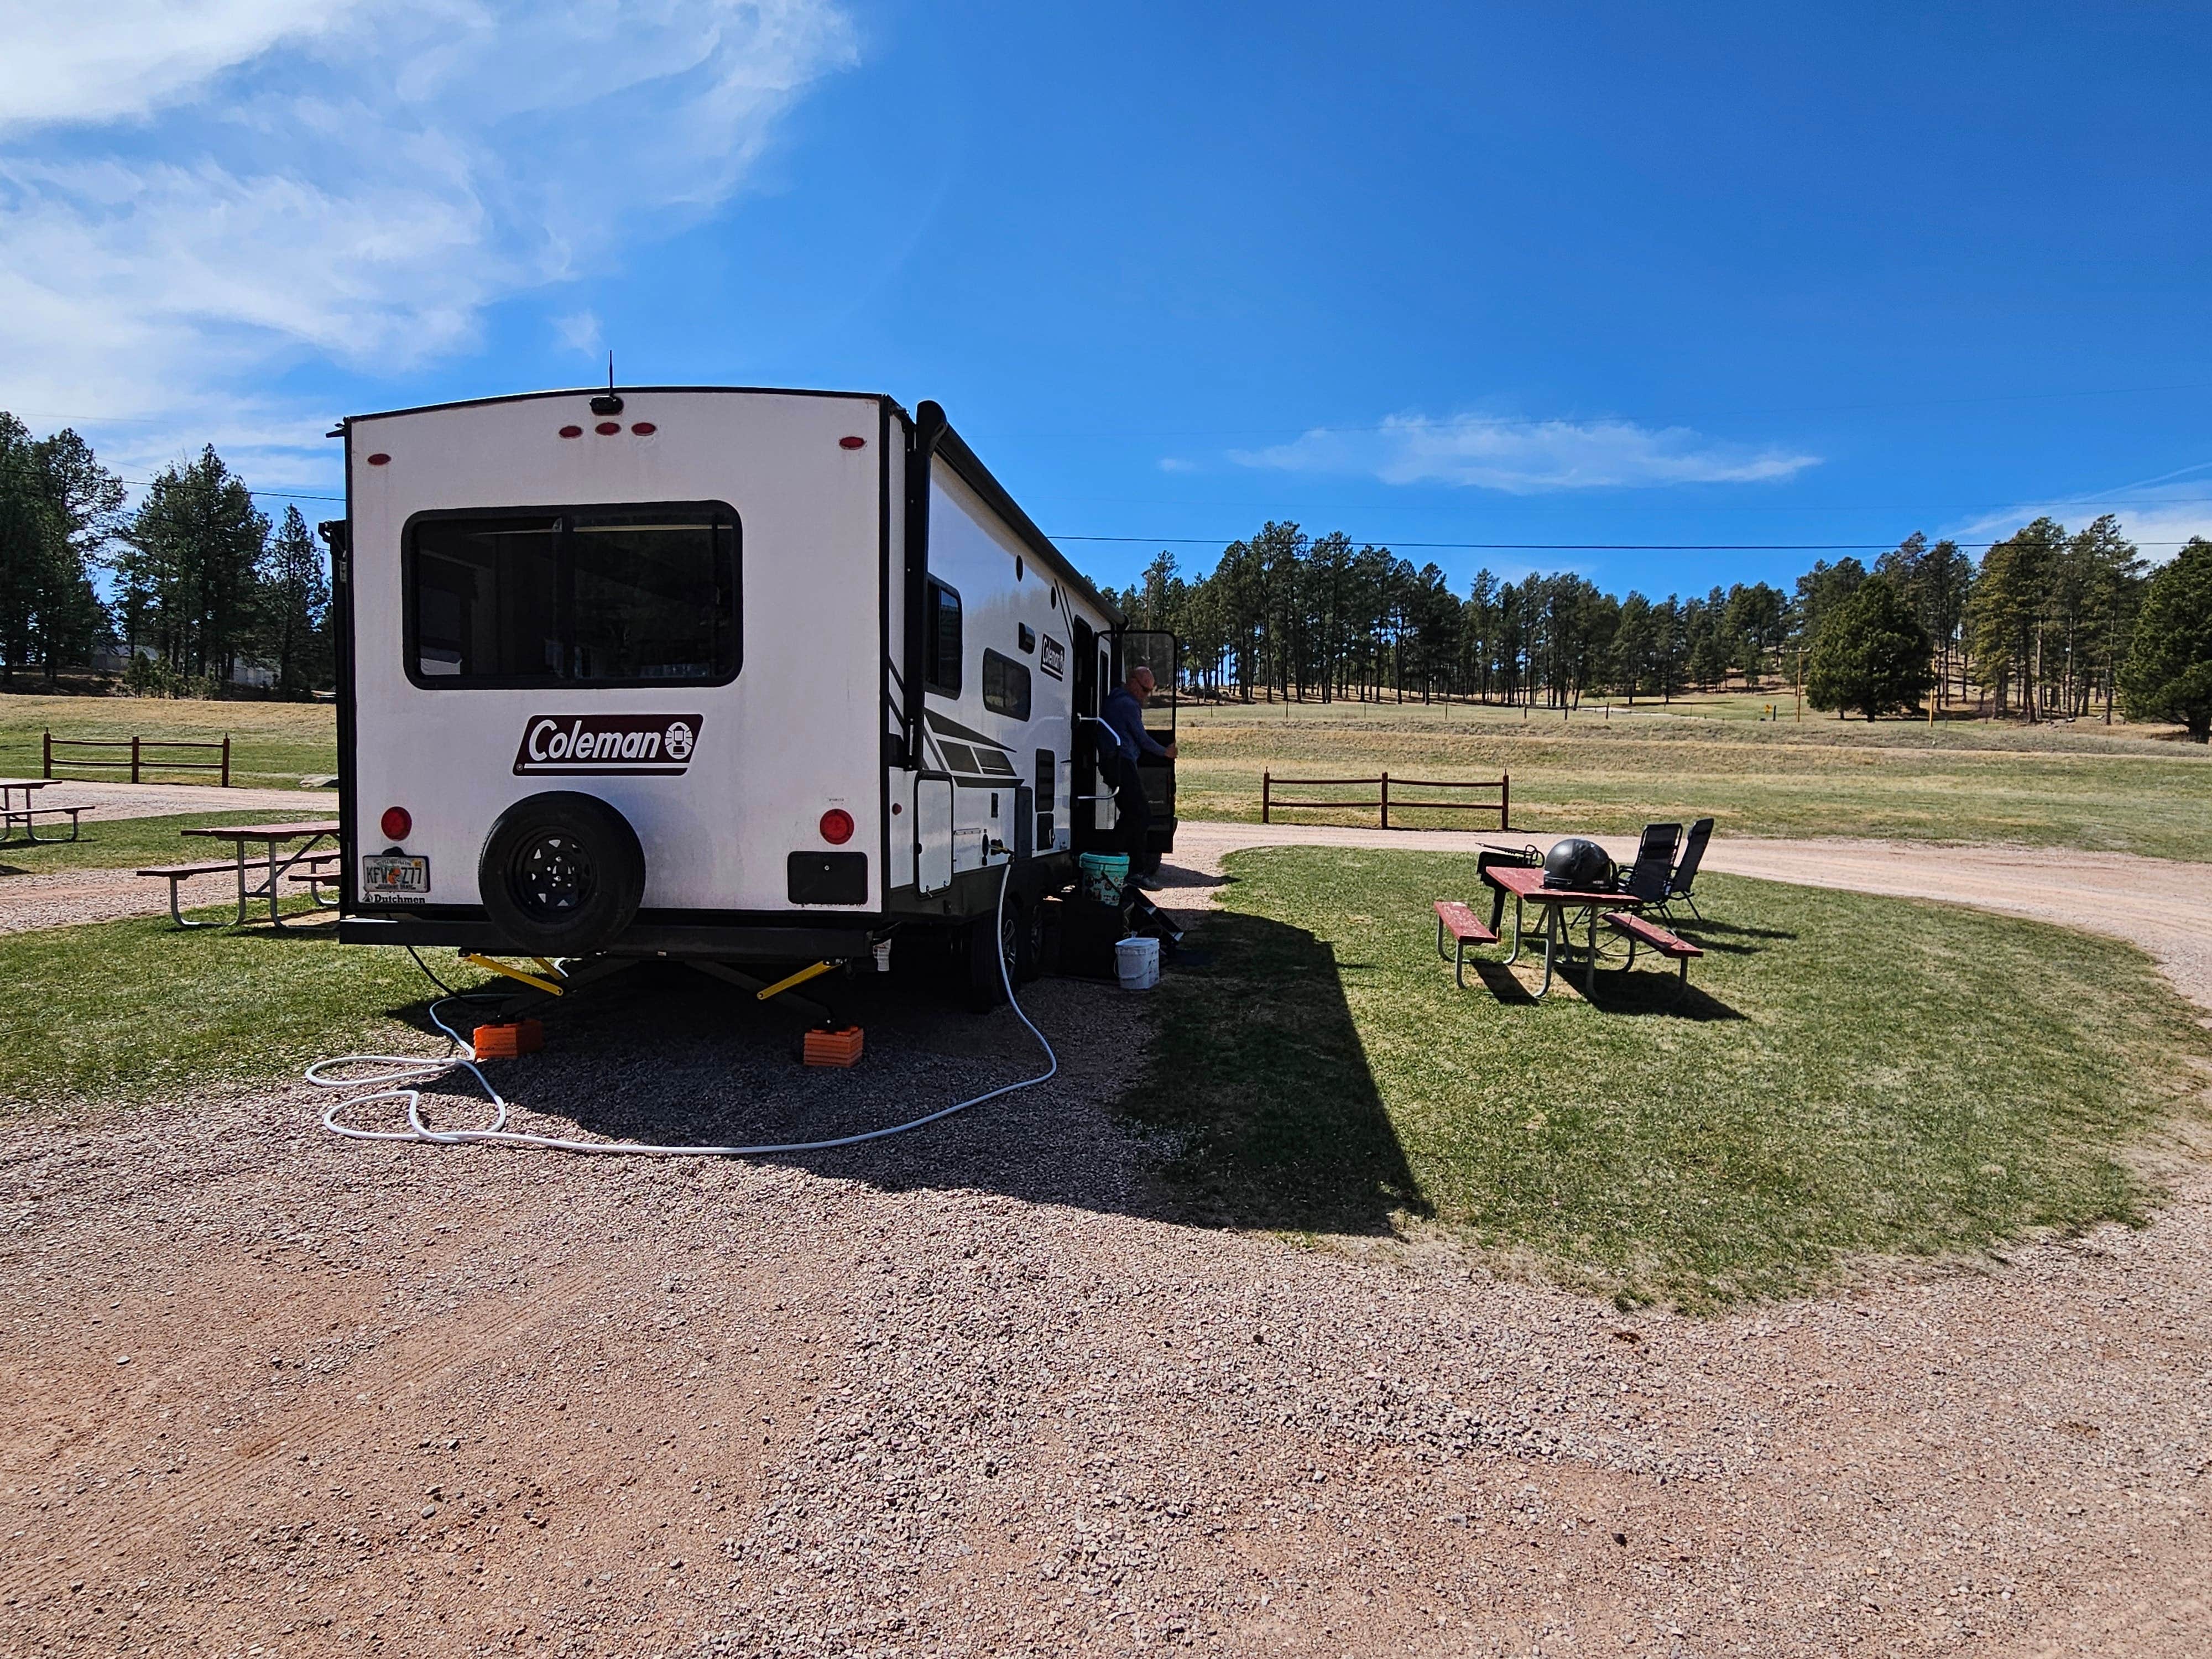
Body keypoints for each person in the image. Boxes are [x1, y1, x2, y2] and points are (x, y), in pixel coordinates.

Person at [1100, 665, 1177, 880]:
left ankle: (1117, 859)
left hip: (1115, 762)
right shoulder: (1128, 704)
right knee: (1141, 814)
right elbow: (1142, 739)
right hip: (1122, 763)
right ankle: (1132, 868)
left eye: (1150, 691)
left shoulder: (1115, 699)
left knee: (1132, 814)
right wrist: (1166, 753)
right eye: (1145, 690)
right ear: (1133, 683)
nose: (1146, 696)